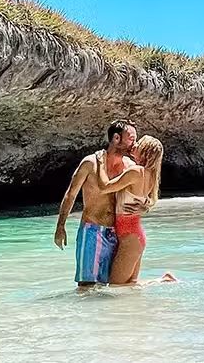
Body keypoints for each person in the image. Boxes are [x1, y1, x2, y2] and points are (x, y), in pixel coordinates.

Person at [54, 119, 150, 288]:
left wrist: (146, 204)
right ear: (116, 139)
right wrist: (60, 226)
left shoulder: (130, 166)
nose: (135, 143)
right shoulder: (90, 163)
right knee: (86, 286)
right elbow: (71, 194)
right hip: (92, 230)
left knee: (114, 288)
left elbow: (143, 194)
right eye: (131, 138)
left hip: (117, 233)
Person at [92, 135, 175, 285]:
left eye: (139, 143)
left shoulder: (136, 172)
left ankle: (164, 280)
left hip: (130, 239)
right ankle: (163, 280)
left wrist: (100, 162)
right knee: (130, 285)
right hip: (135, 237)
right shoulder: (149, 175)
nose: (135, 145)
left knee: (116, 287)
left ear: (145, 151)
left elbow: (104, 187)